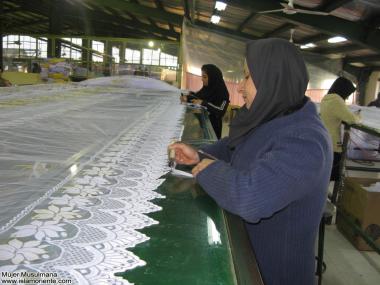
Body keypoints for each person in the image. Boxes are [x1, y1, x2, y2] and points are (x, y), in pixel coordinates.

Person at [169, 38, 333, 285]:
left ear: (272, 79)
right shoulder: (273, 117)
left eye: (247, 77)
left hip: (271, 273)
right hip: (248, 252)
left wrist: (208, 170)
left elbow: (251, 198)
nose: (241, 88)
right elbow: (232, 147)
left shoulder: (306, 140)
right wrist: (198, 156)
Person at [320, 77, 361, 182]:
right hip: (332, 144)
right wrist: (358, 116)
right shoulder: (336, 100)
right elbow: (352, 119)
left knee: (323, 176)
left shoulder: (327, 98)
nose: (347, 97)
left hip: (324, 140)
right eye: (348, 93)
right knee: (330, 176)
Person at [182, 64, 229, 139]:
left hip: (212, 129)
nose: (202, 79)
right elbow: (198, 97)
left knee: (210, 149)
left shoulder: (223, 93)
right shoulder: (207, 89)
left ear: (213, 78)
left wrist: (204, 103)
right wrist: (187, 97)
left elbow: (221, 110)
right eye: (202, 76)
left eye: (205, 77)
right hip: (202, 125)